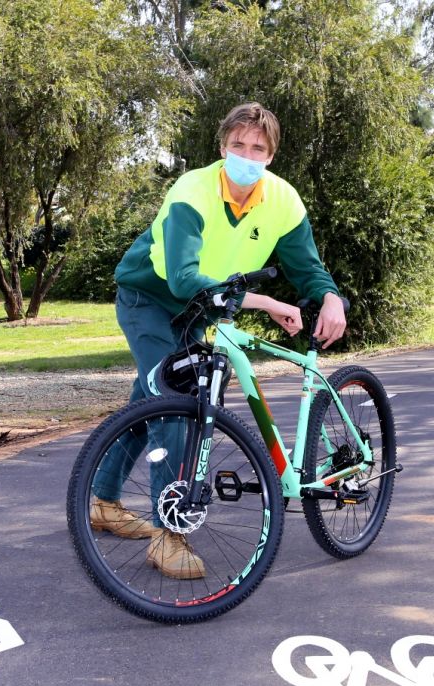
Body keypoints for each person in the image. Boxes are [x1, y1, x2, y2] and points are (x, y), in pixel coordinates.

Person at [91, 102, 346, 580]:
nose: (247, 155)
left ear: (271, 156)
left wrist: (329, 297)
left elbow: (306, 265)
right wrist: (267, 303)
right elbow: (185, 278)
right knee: (172, 397)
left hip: (201, 308)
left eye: (258, 148)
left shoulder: (284, 202)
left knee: (149, 394)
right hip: (152, 297)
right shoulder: (192, 191)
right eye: (238, 145)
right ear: (222, 147)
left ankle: (103, 501)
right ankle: (171, 535)